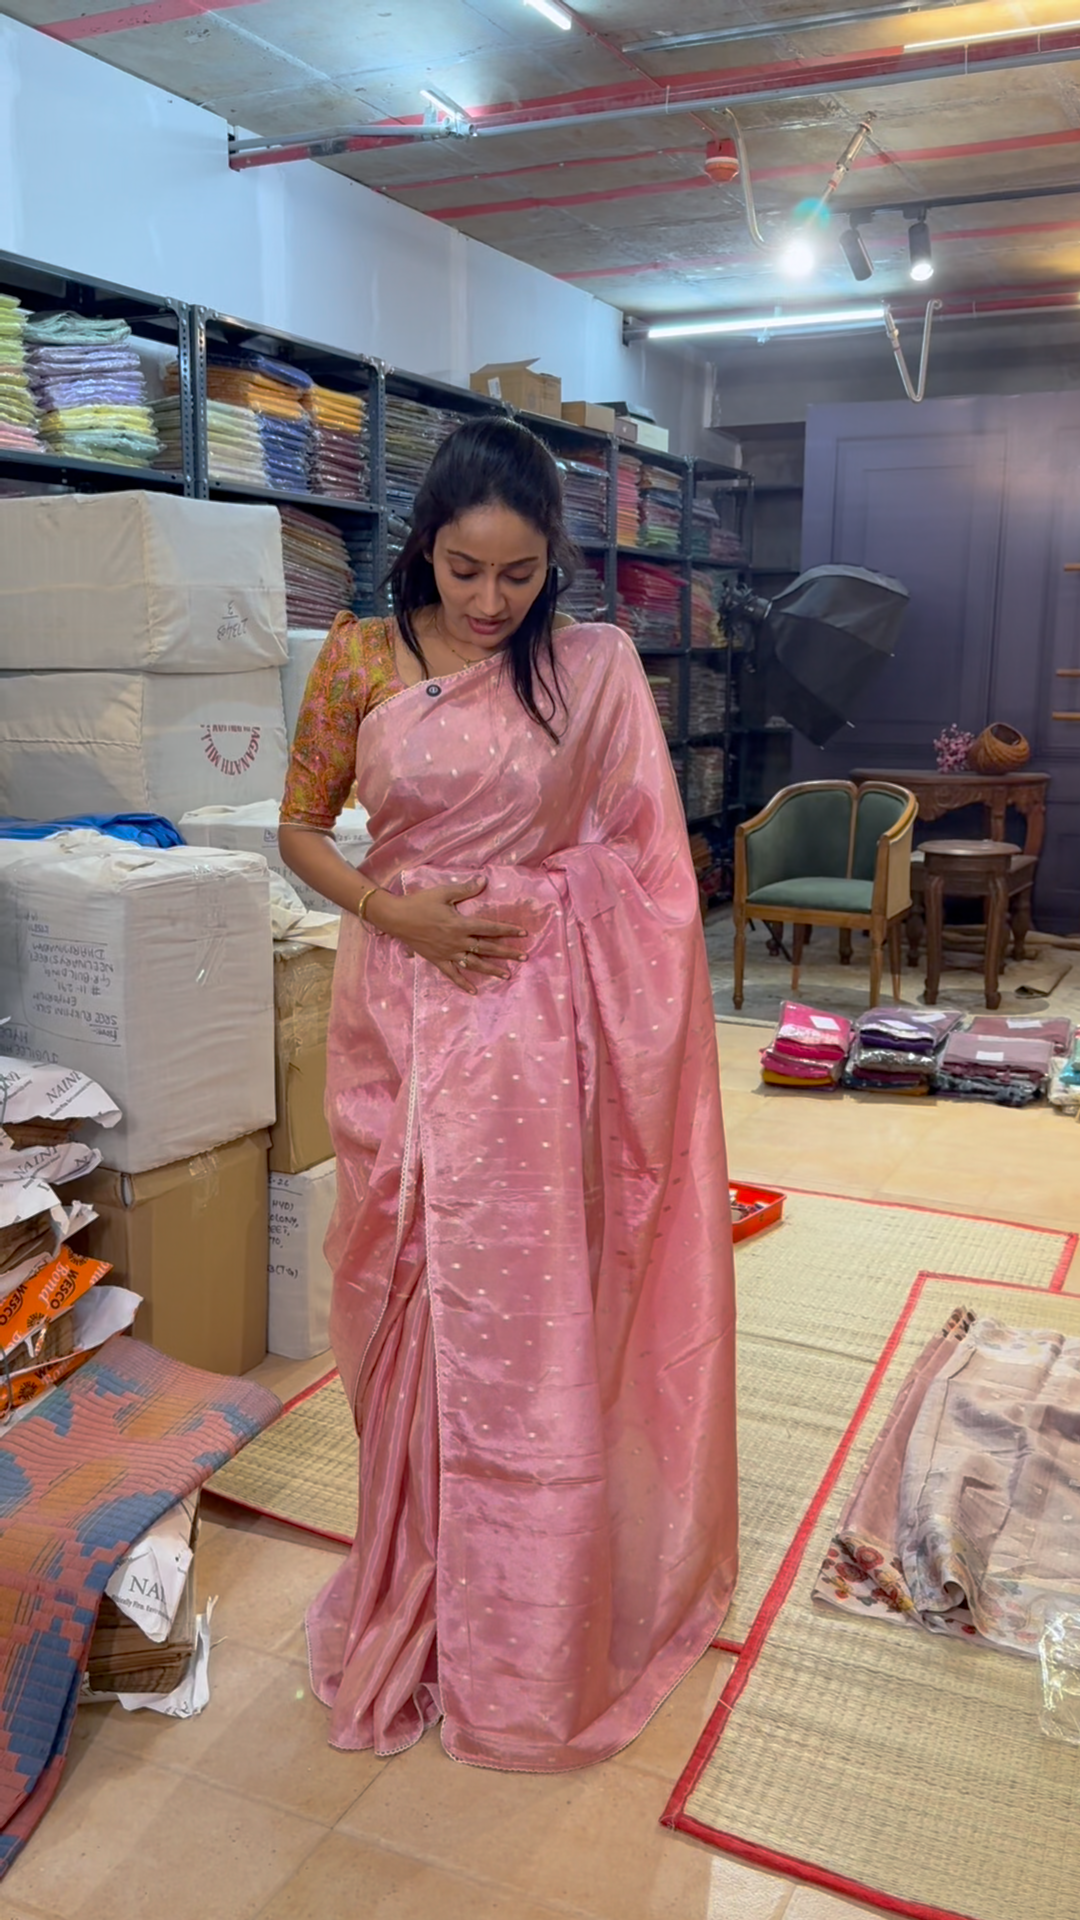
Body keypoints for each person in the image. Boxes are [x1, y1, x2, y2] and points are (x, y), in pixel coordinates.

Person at [279, 416, 737, 1772]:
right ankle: (416, 1574)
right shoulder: (360, 656)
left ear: (555, 566)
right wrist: (396, 913)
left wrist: (544, 909)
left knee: (524, 1314)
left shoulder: (591, 667)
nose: (490, 602)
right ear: (424, 546)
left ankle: (523, 1611)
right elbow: (299, 827)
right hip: (397, 1012)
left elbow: (646, 860)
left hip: (538, 1029)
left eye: (521, 575)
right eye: (466, 571)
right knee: (400, 1289)